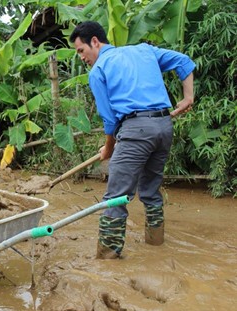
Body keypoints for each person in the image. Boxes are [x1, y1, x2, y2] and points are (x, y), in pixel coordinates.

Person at [69, 21, 195, 259]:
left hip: (136, 130)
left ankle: (107, 262)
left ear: (94, 41)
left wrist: (108, 148)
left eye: (81, 51)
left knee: (115, 197)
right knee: (150, 189)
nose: (81, 57)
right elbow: (184, 62)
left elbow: (109, 121)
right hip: (164, 127)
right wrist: (188, 97)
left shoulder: (98, 71)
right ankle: (156, 244)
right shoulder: (144, 50)